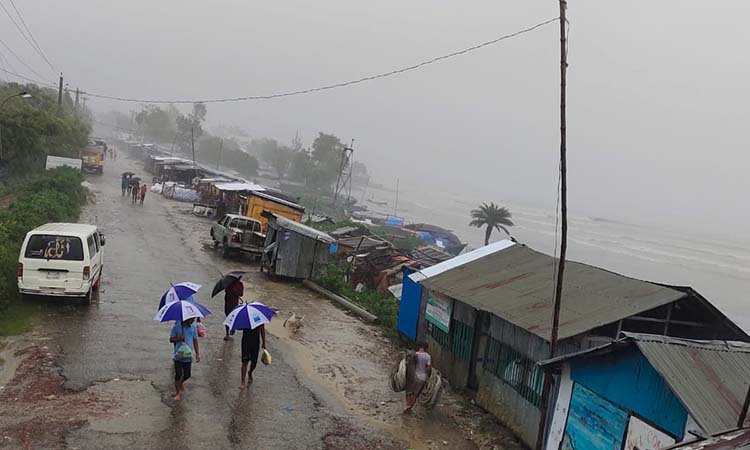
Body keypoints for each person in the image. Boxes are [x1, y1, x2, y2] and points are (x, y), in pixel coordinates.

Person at [169, 317, 200, 401]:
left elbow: (195, 340)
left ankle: (181, 383)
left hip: (188, 355)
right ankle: (177, 392)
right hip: (178, 356)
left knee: (187, 374)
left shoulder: (193, 328)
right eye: (192, 318)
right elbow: (171, 339)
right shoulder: (176, 328)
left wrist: (197, 354)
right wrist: (178, 339)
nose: (193, 320)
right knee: (178, 374)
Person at [404, 342, 431, 414]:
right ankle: (409, 408)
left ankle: (407, 405)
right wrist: (427, 376)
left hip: (413, 376)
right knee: (415, 395)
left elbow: (408, 365)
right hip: (422, 378)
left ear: (420, 347)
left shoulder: (415, 354)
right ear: (426, 348)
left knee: (408, 392)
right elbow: (428, 368)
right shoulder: (428, 356)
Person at [240, 324, 266, 388]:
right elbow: (239, 328)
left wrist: (264, 342)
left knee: (254, 362)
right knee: (245, 361)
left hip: (255, 342)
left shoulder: (259, 318)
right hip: (245, 341)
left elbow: (262, 329)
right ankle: (242, 381)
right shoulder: (245, 318)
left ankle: (250, 372)